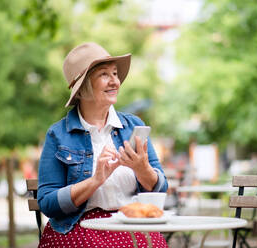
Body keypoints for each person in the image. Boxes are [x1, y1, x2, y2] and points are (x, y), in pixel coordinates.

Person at [37, 42, 168, 248]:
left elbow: (160, 189)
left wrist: (142, 169)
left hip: (131, 223)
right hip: (79, 227)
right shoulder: (58, 134)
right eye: (104, 74)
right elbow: (47, 203)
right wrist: (95, 180)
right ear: (83, 87)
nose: (115, 81)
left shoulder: (134, 126)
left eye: (115, 74)